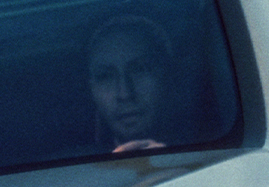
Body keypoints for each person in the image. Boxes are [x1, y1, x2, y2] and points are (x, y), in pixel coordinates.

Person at [85, 13, 200, 154]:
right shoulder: (76, 172)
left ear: (167, 76)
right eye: (105, 76)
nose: (125, 94)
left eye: (140, 69)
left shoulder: (213, 155)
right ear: (91, 89)